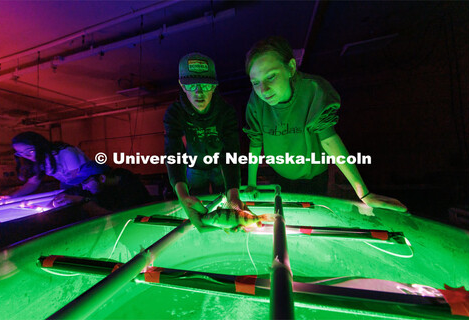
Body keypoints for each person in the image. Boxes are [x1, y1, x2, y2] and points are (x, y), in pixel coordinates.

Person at [243, 36, 407, 212]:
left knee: (312, 215)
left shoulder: (313, 90)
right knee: (287, 216)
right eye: (255, 82)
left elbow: (329, 139)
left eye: (271, 76)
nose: (263, 89)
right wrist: (252, 184)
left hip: (314, 177)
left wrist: (363, 193)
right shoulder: (256, 102)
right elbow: (255, 142)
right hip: (280, 175)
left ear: (290, 68)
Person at [163, 52, 245, 230]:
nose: (199, 93)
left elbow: (231, 151)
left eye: (206, 85)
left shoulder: (226, 112)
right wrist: (182, 195)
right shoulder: (174, 113)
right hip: (193, 168)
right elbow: (173, 151)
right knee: (197, 204)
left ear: (215, 87)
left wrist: (233, 192)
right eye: (191, 86)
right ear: (181, 86)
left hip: (219, 167)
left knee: (225, 200)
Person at [0, 131, 89, 199]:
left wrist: (65, 196)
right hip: (69, 185)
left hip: (89, 184)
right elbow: (33, 183)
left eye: (30, 151)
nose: (27, 156)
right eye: (21, 153)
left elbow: (78, 179)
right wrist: (10, 197)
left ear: (40, 145)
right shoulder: (39, 160)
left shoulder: (66, 153)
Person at [53, 161, 151, 213]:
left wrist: (83, 201)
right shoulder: (107, 188)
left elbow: (116, 217)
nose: (84, 187)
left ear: (102, 178)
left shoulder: (130, 189)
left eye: (85, 182)